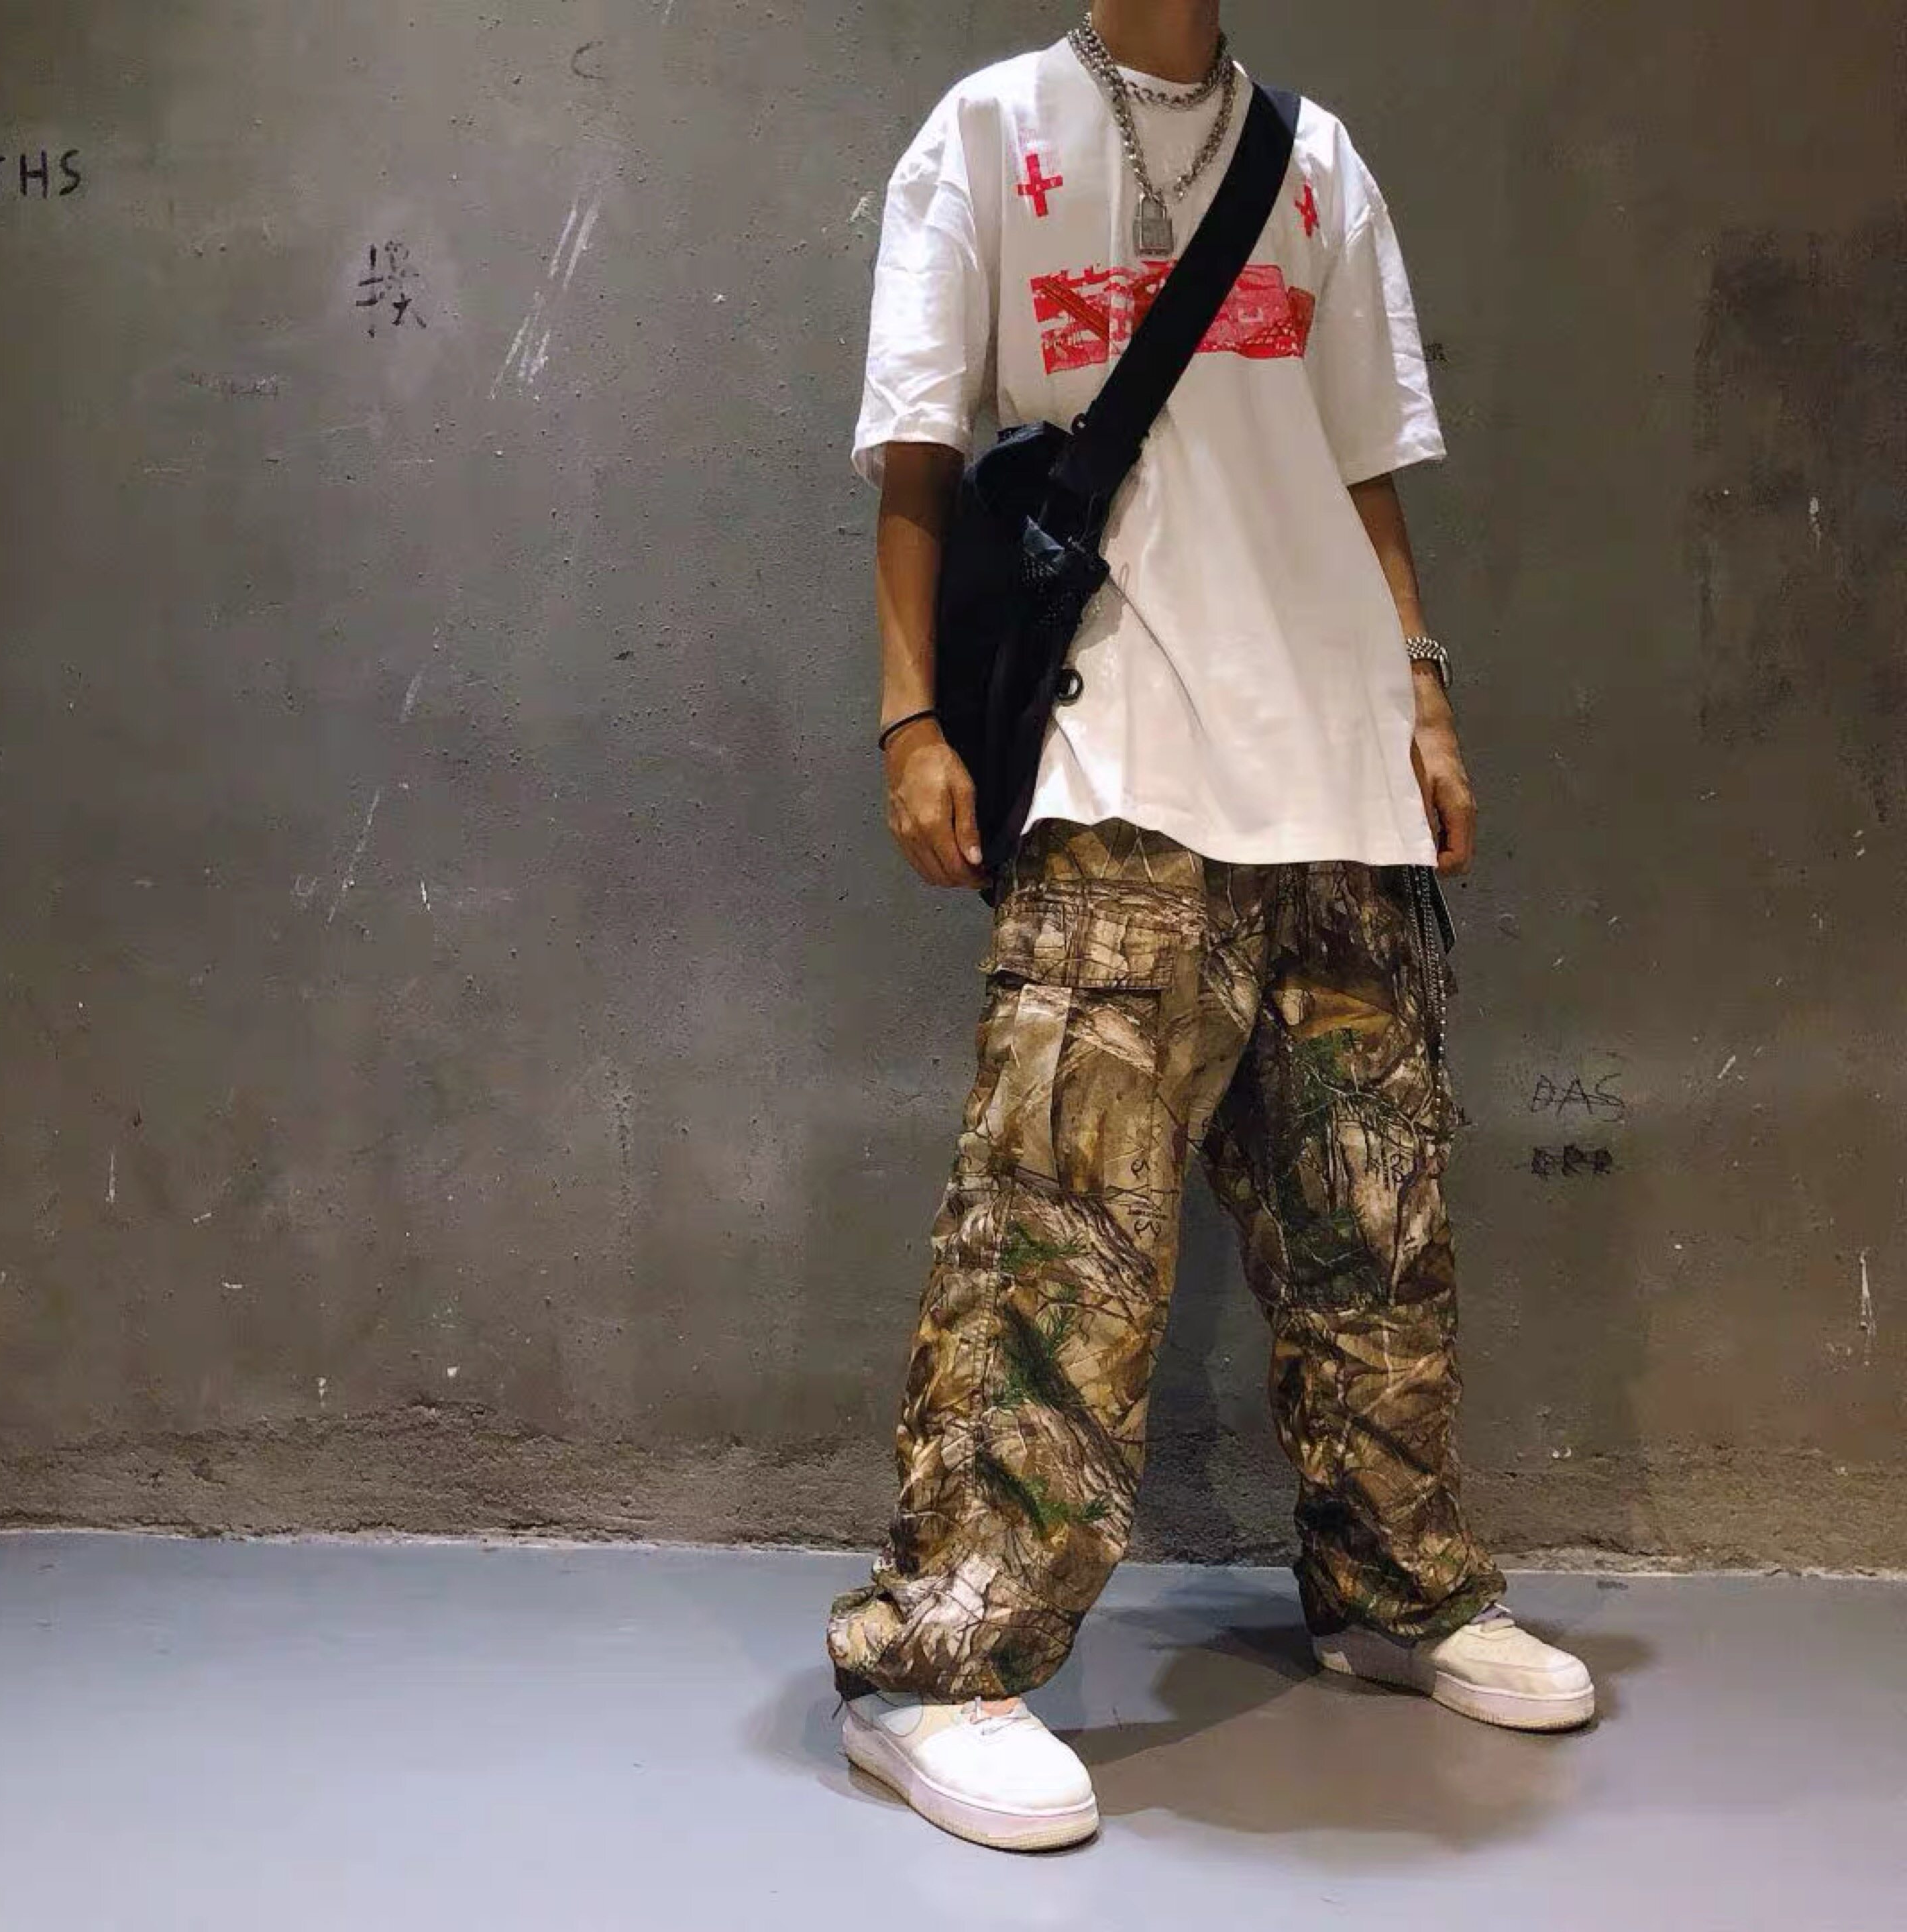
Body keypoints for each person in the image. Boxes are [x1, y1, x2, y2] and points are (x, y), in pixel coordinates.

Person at [828, 1, 1596, 1852]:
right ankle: (941, 1667)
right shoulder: (988, 132)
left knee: (1374, 1234)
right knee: (1059, 1236)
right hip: (1117, 760)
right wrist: (910, 721)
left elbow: (1361, 468)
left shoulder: (1315, 160)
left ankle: (1394, 1593)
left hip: (1333, 768)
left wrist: (1422, 693)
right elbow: (918, 459)